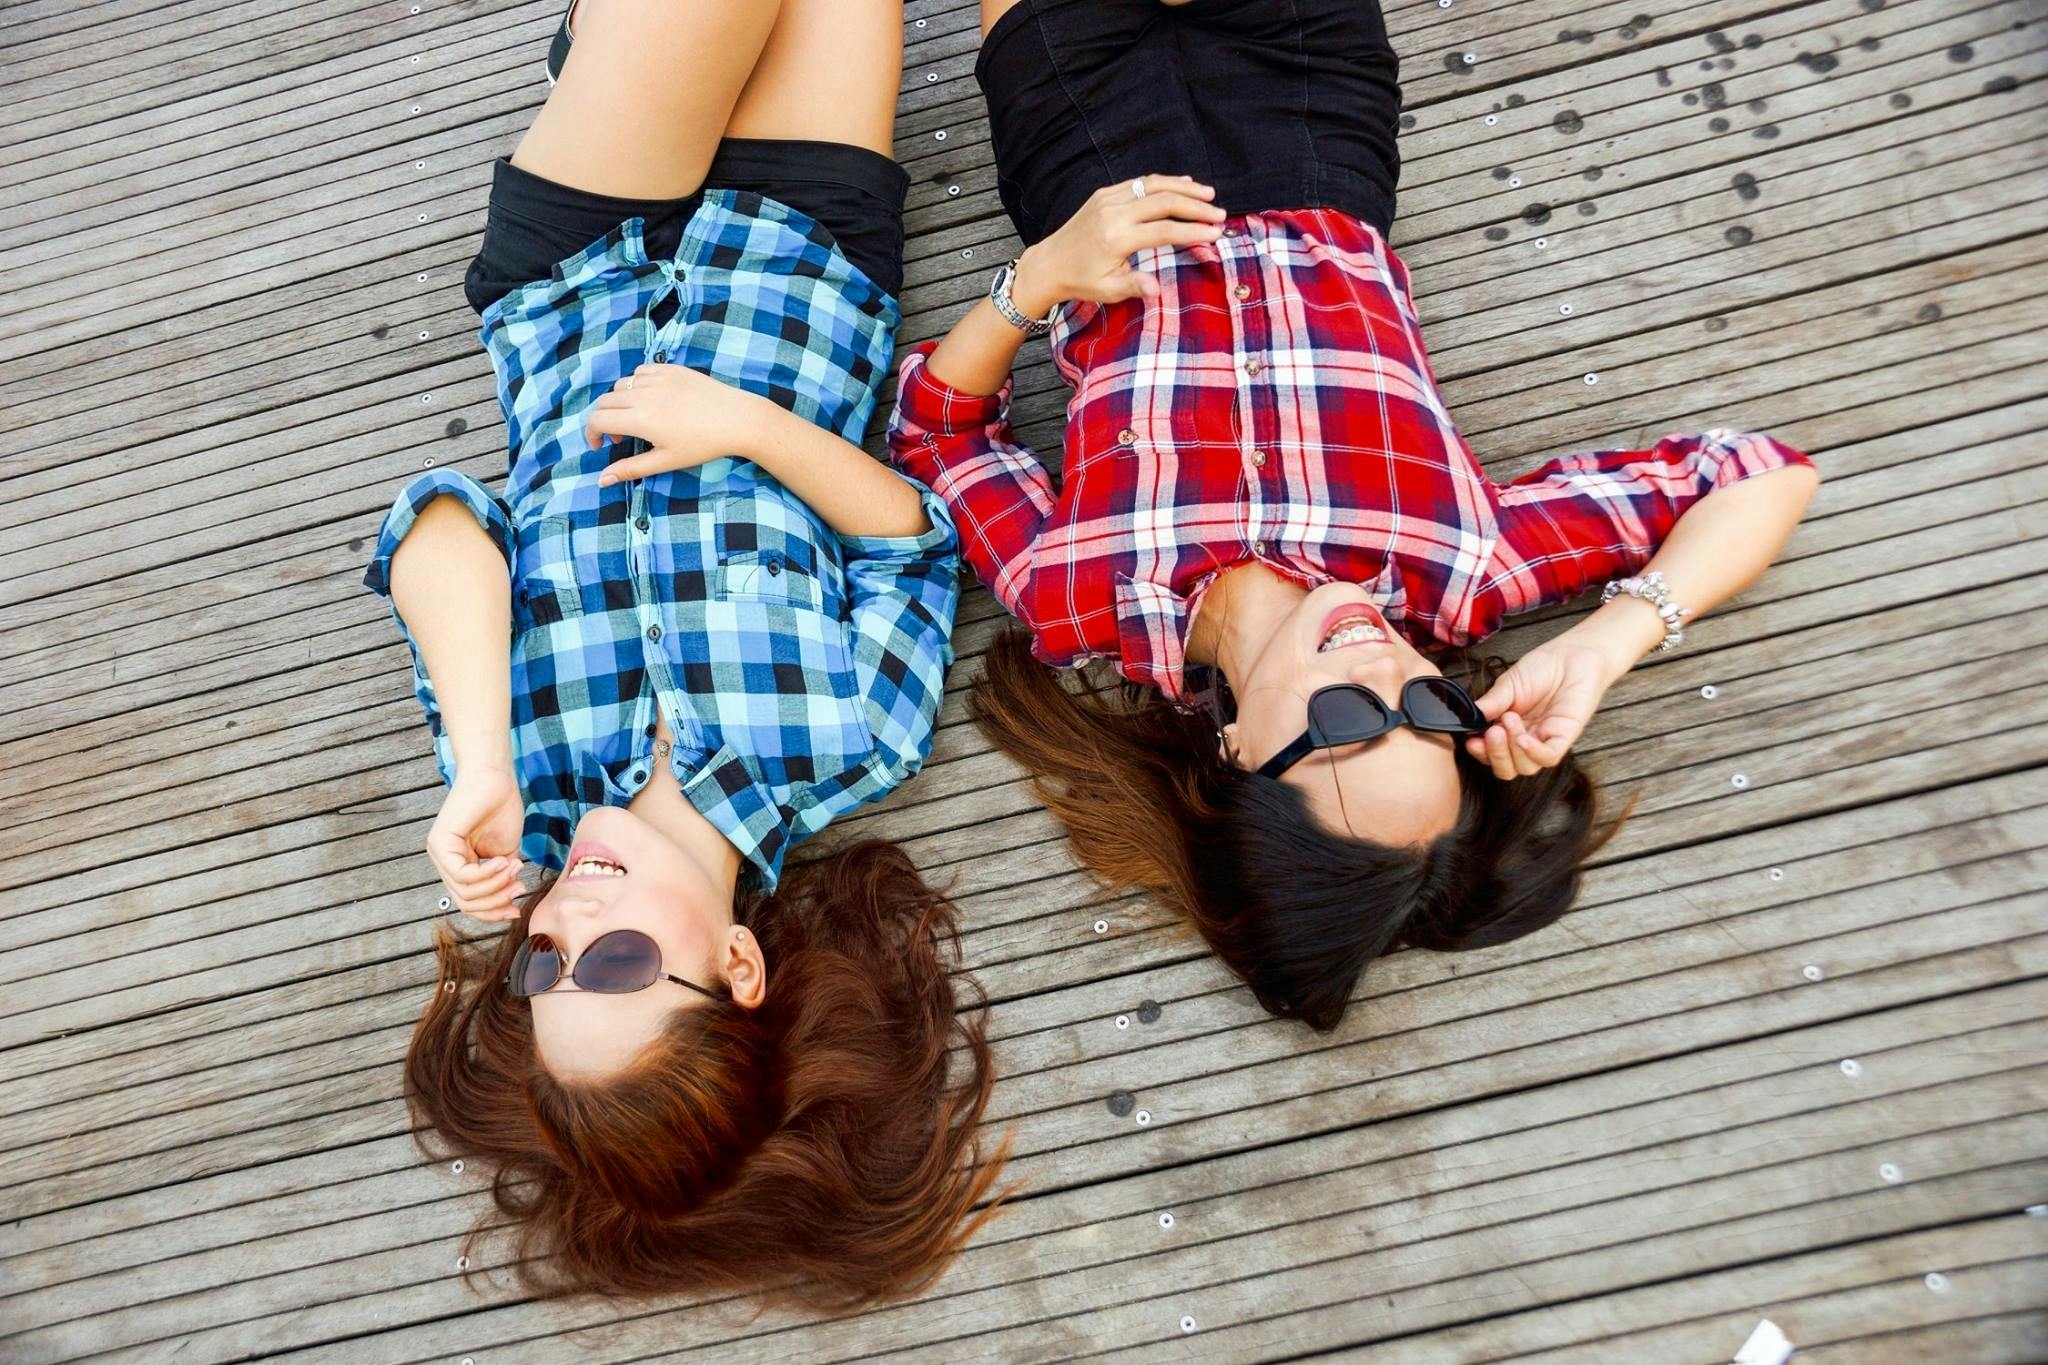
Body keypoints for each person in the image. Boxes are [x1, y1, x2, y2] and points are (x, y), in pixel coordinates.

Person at [887, 0, 1821, 1031]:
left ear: (1239, 754)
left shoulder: (1078, 603)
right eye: (1425, 717)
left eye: (1341, 727)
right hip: (1308, 129)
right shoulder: (1461, 572)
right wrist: (1606, 643)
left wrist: (1035, 282)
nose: (1381, 674)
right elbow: (1761, 474)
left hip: (1092, 172)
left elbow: (940, 435)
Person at [361, 0, 1004, 1306]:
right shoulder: (847, 744)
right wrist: (749, 430)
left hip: (570, 277)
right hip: (808, 261)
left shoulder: (518, 782)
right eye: (613, 964)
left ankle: (614, 59)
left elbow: (437, 524)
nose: (568, 923)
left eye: (542, 966)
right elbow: (909, 539)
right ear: (739, 969)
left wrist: (477, 751)